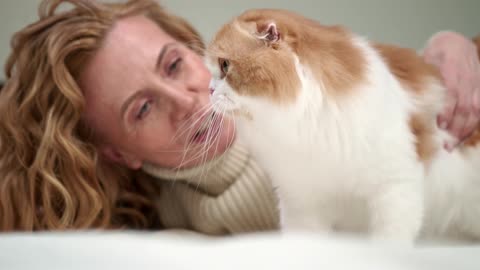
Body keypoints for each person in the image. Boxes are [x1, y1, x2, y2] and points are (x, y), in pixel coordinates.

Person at [0, 0, 478, 233]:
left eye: (173, 64)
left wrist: (453, 44)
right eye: (143, 108)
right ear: (119, 153)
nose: (191, 100)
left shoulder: (290, 87)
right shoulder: (170, 224)